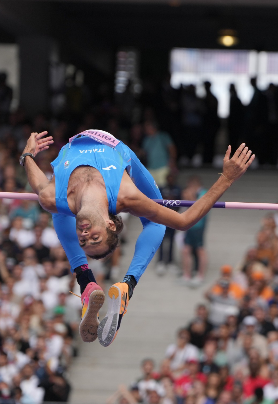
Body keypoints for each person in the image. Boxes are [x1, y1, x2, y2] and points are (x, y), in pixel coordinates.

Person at [21, 129, 254, 347]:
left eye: (84, 241)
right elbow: (184, 221)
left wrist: (27, 154)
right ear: (110, 224)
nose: (84, 235)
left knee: (57, 209)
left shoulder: (52, 197)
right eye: (94, 238)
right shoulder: (127, 196)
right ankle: (127, 285)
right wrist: (226, 178)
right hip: (115, 148)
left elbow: (38, 180)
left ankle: (86, 283)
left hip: (77, 154)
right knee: (156, 222)